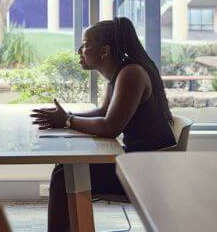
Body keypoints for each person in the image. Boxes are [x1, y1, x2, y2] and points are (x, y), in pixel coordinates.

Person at [31, 17, 176, 232]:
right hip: (139, 162)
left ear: (105, 51)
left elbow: (110, 127)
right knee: (65, 169)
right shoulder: (120, 73)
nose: (79, 50)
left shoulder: (131, 74)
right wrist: (65, 118)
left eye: (86, 44)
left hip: (148, 172)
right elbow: (102, 113)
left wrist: (68, 121)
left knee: (64, 175)